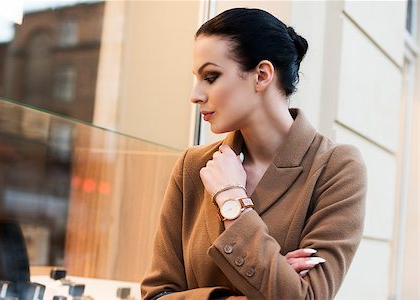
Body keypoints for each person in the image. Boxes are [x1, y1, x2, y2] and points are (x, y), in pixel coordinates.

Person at [141, 7, 366, 300]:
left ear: (261, 75)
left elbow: (309, 297)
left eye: (210, 77)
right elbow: (156, 295)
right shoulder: (192, 166)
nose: (195, 95)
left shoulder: (336, 168)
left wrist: (231, 199)